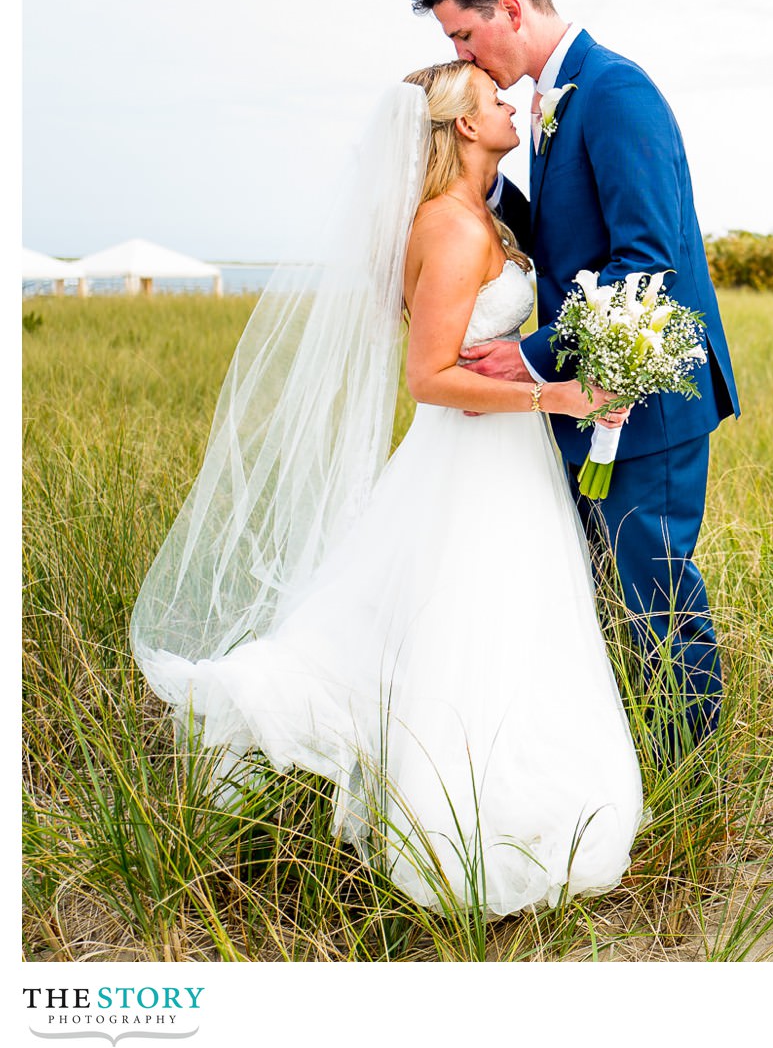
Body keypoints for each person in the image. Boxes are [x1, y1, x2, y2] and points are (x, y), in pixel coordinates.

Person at [131, 61, 643, 918]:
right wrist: (552, 394)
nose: (510, 104)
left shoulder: (481, 214)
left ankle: (515, 784)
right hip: (470, 461)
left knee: (501, 620)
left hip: (503, 457)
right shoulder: (447, 226)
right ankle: (455, 815)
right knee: (469, 623)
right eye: (491, 100)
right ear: (462, 127)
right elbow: (429, 377)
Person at [413, 0, 740, 764]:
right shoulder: (556, 103)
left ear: (509, 9)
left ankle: (688, 780)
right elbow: (556, 237)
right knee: (601, 598)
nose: (462, 55)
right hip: (581, 404)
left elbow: (647, 269)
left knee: (656, 597)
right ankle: (619, 762)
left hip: (650, 402)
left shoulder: (616, 93)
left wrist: (530, 356)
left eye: (462, 35)